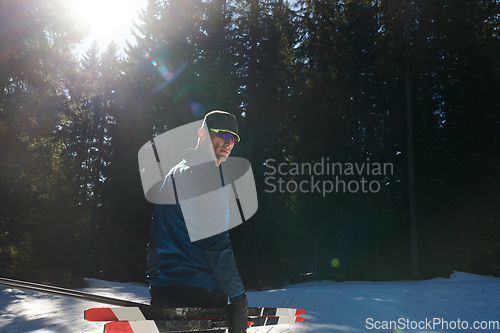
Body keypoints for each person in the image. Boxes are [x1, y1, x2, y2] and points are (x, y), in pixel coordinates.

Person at [146, 110, 248, 333]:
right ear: (202, 133)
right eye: (222, 134)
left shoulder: (171, 176)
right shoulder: (210, 175)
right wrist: (238, 299)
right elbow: (215, 243)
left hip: (166, 293)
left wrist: (155, 284)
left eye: (233, 139)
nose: (228, 142)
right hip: (202, 296)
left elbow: (155, 241)